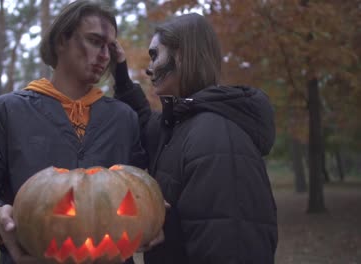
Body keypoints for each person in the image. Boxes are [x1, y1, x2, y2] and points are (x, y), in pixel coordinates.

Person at [0, 1, 146, 263]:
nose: (105, 56)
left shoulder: (123, 118)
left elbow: (139, 187)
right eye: (95, 41)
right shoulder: (7, 111)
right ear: (62, 41)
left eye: (110, 47)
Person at [112, 13, 278, 263]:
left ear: (180, 56)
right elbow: (147, 122)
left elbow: (233, 249)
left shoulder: (218, 138)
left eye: (155, 55)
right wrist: (122, 77)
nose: (149, 68)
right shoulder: (182, 125)